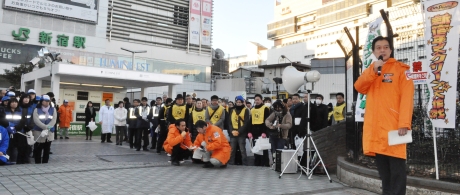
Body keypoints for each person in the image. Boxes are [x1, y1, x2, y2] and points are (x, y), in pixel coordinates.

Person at [354, 36, 414, 195]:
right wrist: (373, 71)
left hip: (394, 129)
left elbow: (407, 99)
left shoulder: (402, 70)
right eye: (379, 47)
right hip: (377, 131)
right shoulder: (371, 70)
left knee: (397, 173)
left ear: (391, 50)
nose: (382, 50)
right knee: (384, 175)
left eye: (386, 47)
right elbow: (359, 87)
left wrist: (404, 124)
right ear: (374, 52)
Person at [32, 95, 57, 164]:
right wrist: (45, 127)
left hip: (49, 132)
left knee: (47, 149)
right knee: (38, 148)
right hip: (39, 132)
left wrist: (48, 127)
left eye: (48, 101)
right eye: (45, 101)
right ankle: (37, 162)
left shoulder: (53, 109)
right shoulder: (36, 109)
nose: (47, 102)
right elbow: (36, 120)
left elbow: (54, 120)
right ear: (41, 102)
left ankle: (45, 162)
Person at [248, 94, 270, 167]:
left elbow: (267, 120)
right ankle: (257, 163)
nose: (257, 101)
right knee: (256, 147)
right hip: (254, 130)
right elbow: (250, 121)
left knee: (263, 147)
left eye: (258, 100)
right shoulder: (252, 109)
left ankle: (265, 163)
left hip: (262, 129)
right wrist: (249, 131)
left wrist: (265, 132)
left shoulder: (265, 108)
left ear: (261, 100)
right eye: (255, 100)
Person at [228, 95, 249, 166]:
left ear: (243, 102)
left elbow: (246, 123)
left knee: (242, 150)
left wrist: (239, 131)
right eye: (237, 102)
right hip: (233, 133)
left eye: (240, 102)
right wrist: (231, 131)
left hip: (241, 133)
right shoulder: (232, 110)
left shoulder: (246, 110)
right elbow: (229, 122)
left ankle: (245, 164)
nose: (238, 103)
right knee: (232, 149)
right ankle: (231, 163)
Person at [5, 97, 26, 164]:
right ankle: (8, 160)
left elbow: (23, 121)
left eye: (15, 102)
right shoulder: (5, 111)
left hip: (19, 131)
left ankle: (19, 161)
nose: (14, 103)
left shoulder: (21, 110)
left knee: (20, 147)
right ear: (9, 103)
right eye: (12, 102)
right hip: (8, 132)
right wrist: (9, 127)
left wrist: (17, 128)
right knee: (9, 147)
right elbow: (3, 120)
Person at [18, 94, 34, 164]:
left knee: (28, 145)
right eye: (25, 98)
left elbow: (34, 119)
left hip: (28, 129)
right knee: (20, 145)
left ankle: (26, 159)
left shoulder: (32, 108)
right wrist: (20, 126)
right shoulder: (18, 107)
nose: (26, 99)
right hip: (20, 130)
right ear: (22, 99)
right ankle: (20, 160)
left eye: (28, 98)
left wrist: (30, 127)